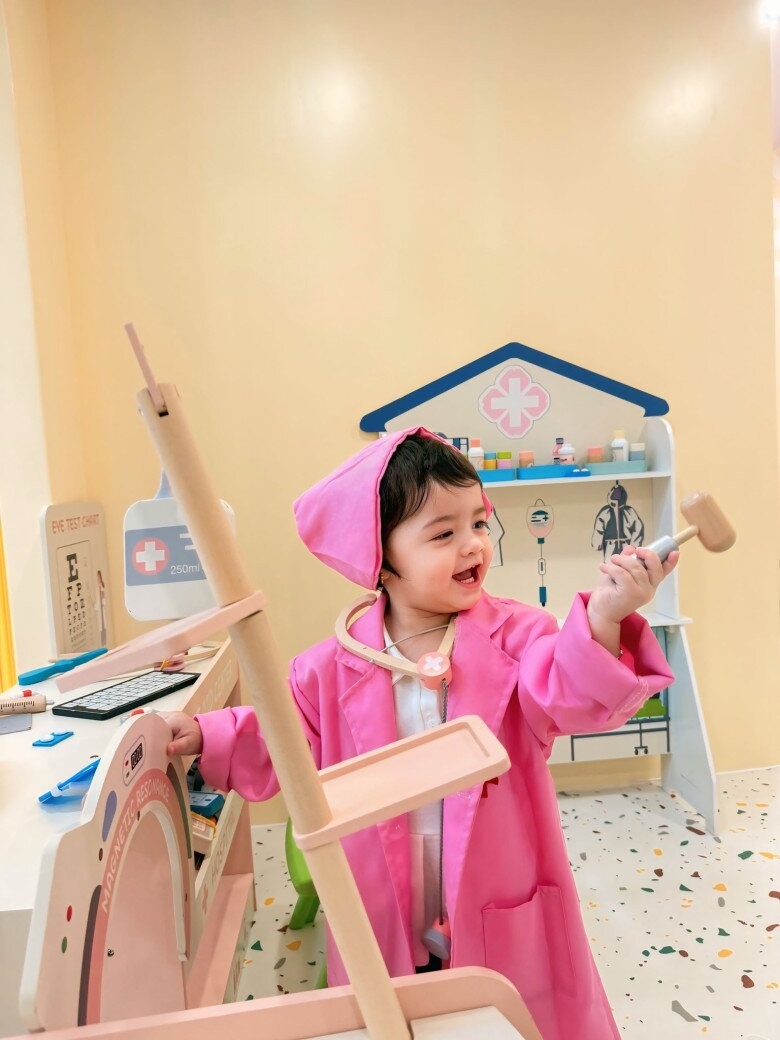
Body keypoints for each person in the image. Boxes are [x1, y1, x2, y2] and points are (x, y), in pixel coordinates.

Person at [162, 427, 677, 1040]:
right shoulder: (329, 668)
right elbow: (280, 741)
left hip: (491, 875)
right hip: (386, 881)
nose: (473, 545)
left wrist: (603, 617)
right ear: (380, 557)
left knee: (501, 1013)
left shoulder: (519, 638)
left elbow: (569, 690)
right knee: (394, 1010)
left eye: (479, 523)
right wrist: (205, 734)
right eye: (443, 534)